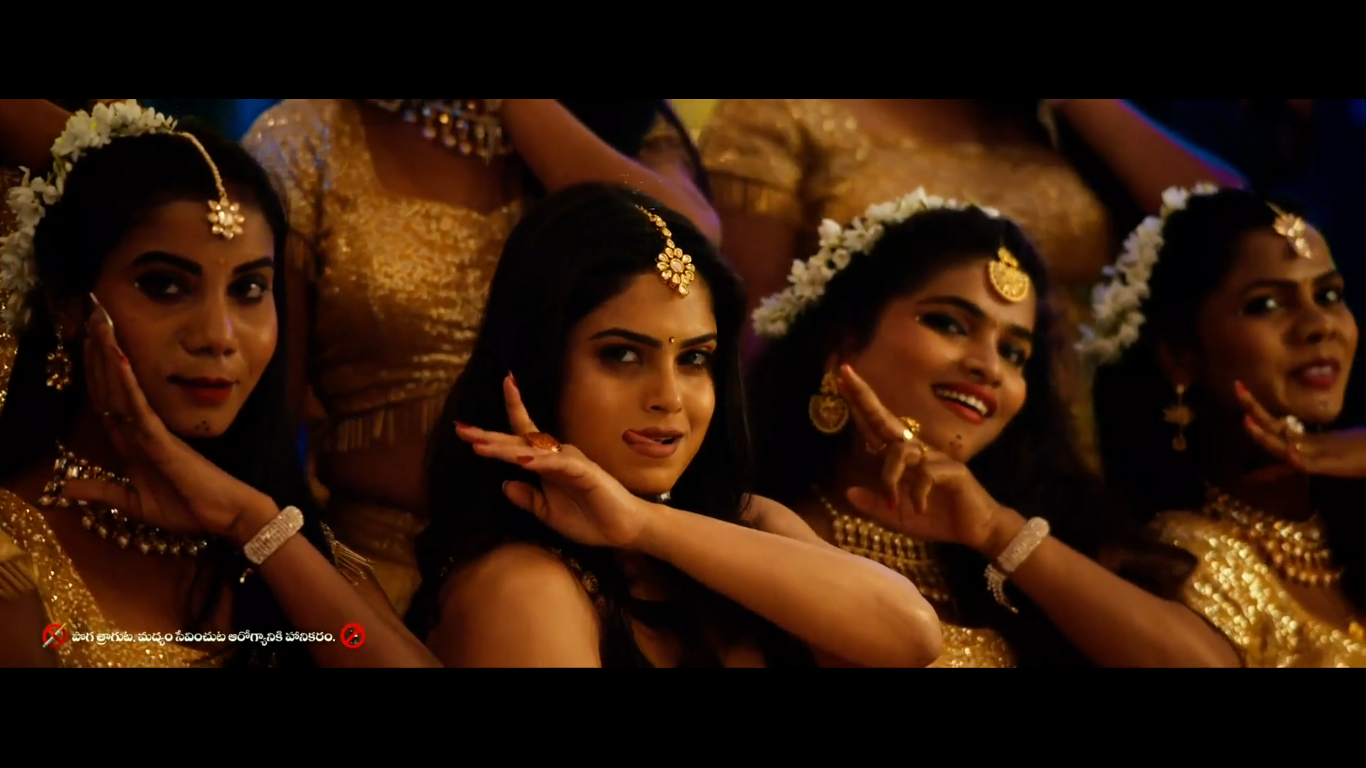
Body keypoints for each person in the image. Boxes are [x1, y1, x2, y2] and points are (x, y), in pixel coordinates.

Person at [408, 183, 943, 667]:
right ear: (538, 365)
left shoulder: (748, 521)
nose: (668, 398)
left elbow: (913, 634)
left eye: (693, 359)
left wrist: (643, 524)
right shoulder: (525, 586)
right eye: (622, 355)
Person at [0, 102, 439, 667]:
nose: (218, 336)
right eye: (164, 286)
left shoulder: (279, 531)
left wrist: (251, 524)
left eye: (249, 289)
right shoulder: (14, 557)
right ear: (67, 305)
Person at [244, 99, 719, 613]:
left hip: (592, 569)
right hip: (374, 572)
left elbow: (682, 247)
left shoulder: (622, 127)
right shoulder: (308, 140)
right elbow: (267, 424)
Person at [748, 190, 1238, 667]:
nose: (989, 367)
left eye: (1013, 352)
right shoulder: (764, 528)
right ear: (845, 345)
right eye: (950, 324)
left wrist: (998, 533)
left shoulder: (1033, 535)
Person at [1087, 184, 1364, 666]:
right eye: (1266, 305)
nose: (1320, 324)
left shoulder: (1347, 514)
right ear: (1180, 356)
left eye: (1329, 295)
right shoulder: (1186, 560)